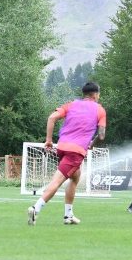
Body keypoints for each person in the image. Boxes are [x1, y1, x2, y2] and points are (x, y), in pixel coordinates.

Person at [28, 82, 106, 226]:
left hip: (62, 147)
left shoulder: (71, 104)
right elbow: (101, 136)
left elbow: (52, 118)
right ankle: (36, 208)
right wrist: (91, 145)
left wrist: (49, 140)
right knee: (57, 181)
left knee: (75, 177)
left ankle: (68, 215)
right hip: (76, 151)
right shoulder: (99, 110)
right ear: (95, 94)